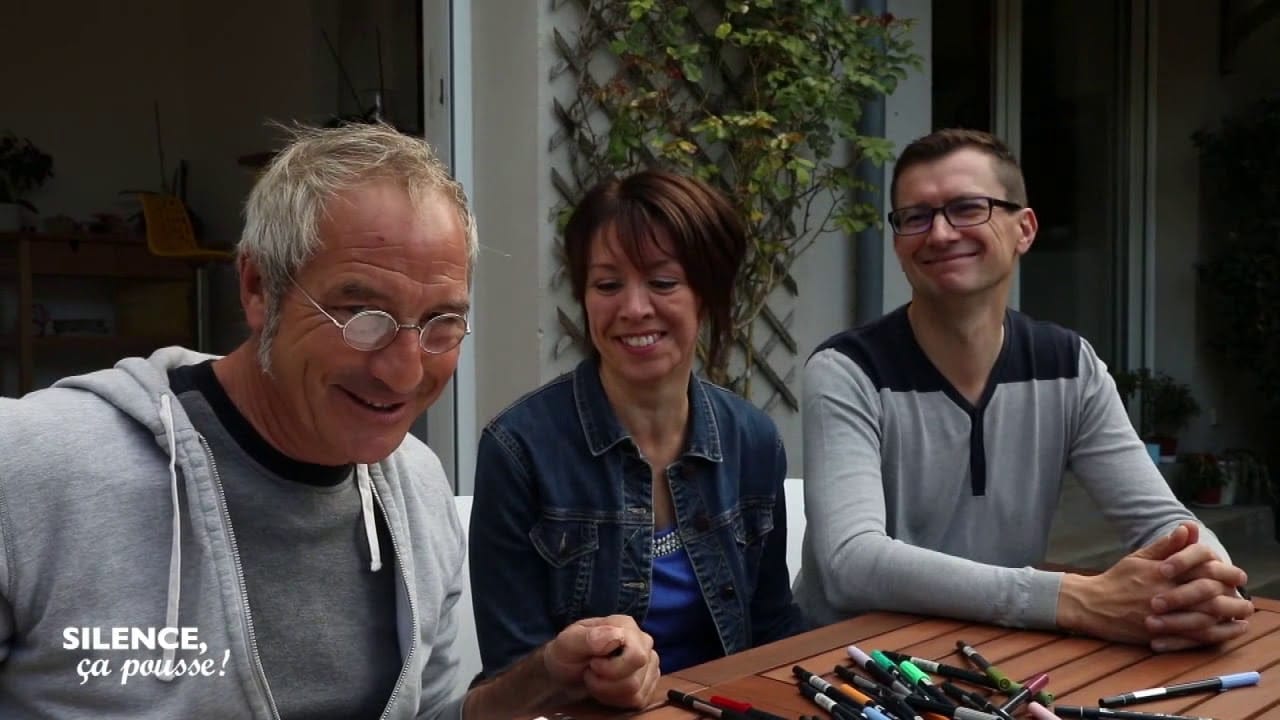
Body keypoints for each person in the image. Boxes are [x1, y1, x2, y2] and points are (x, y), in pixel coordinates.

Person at [0, 123, 658, 718]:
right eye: (361, 313)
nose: (403, 372)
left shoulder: (417, 490)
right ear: (259, 289)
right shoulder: (36, 467)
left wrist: (541, 679)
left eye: (441, 323)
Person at [792, 128, 1253, 652]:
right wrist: (1073, 599)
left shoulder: (1068, 366)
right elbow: (850, 564)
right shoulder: (849, 371)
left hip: (993, 649)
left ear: (1025, 229)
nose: (940, 233)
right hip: (840, 664)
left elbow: (1164, 524)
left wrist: (1207, 580)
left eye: (968, 208)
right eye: (915, 217)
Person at [468, 170, 805, 679]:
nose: (633, 308)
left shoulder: (752, 441)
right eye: (607, 284)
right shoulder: (519, 450)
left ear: (706, 293)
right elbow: (512, 671)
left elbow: (773, 629)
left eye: (662, 282)